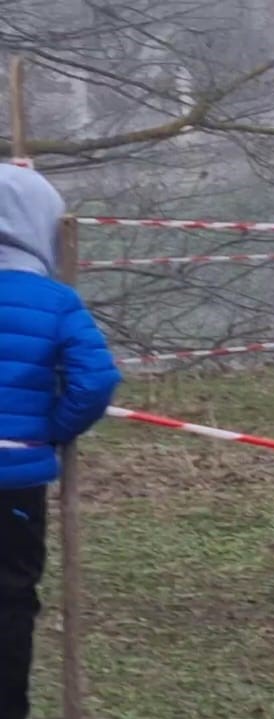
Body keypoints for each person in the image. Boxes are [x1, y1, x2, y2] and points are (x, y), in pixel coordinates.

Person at [0, 165, 121, 719]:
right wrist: (53, 428)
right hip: (15, 481)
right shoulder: (55, 301)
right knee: (10, 600)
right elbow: (95, 379)